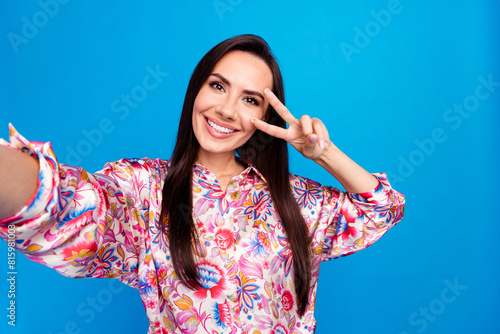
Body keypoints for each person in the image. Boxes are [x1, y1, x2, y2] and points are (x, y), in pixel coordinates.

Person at [0, 34, 405, 333]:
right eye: (218, 86)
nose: (227, 110)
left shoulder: (293, 200)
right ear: (196, 89)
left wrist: (322, 154)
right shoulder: (145, 189)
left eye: (250, 100)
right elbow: (67, 208)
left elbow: (383, 207)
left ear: (266, 117)